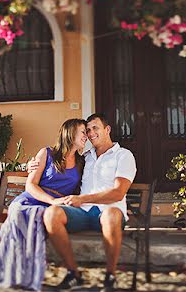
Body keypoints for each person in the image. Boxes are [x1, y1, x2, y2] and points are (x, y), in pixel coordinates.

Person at [31, 113, 137, 292]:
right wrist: (32, 164)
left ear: (107, 129)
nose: (90, 133)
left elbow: (118, 193)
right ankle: (74, 274)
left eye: (95, 128)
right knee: (51, 214)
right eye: (87, 130)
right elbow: (61, 161)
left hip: (109, 211)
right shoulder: (85, 157)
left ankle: (110, 277)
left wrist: (82, 198)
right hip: (82, 212)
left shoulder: (123, 155)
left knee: (110, 215)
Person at [0, 118, 88, 291]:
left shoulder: (82, 162)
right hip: (33, 199)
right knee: (21, 212)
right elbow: (31, 185)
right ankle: (16, 271)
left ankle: (26, 273)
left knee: (40, 216)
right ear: (70, 132)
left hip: (54, 207)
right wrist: (52, 200)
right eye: (83, 132)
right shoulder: (46, 153)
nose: (86, 136)